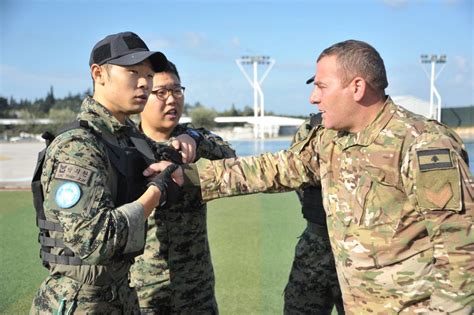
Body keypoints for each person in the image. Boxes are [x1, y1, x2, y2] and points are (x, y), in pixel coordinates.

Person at [147, 40, 474, 314]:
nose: (312, 98)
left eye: (321, 86)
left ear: (356, 87)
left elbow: (461, 250)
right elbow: (272, 169)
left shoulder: (423, 144)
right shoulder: (329, 139)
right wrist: (190, 176)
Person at [30, 31, 178, 314]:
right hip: (80, 299)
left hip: (121, 292)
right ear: (98, 74)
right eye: (133, 72)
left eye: (148, 74)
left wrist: (184, 146)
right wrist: (156, 192)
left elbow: (167, 157)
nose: (145, 82)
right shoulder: (79, 145)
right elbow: (95, 240)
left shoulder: (128, 138)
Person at [130, 61, 236, 314]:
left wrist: (196, 139)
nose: (171, 100)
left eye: (177, 91)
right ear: (143, 95)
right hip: (144, 290)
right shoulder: (125, 146)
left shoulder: (194, 139)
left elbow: (232, 160)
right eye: (161, 92)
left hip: (196, 288)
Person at [284, 113, 344, 315]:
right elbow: (296, 177)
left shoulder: (384, 133)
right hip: (315, 246)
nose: (314, 97)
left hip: (361, 253)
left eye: (322, 86)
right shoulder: (310, 129)